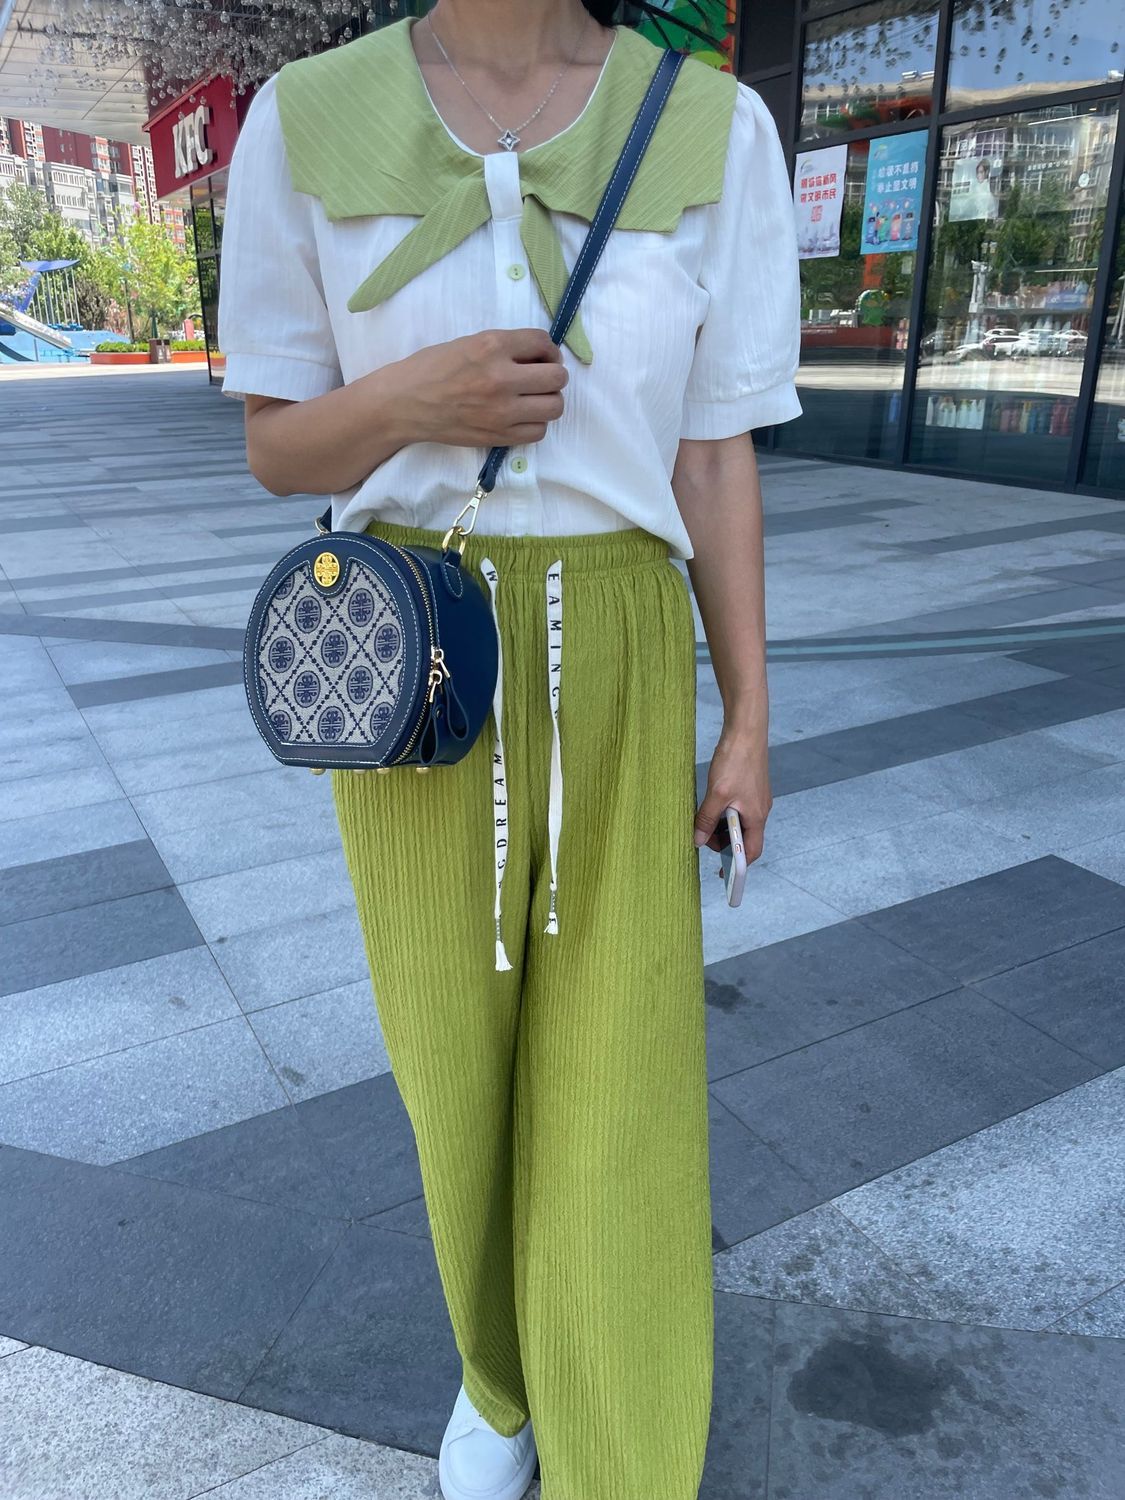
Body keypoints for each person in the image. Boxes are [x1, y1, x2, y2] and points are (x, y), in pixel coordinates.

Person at [217, 2, 801, 1496]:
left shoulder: (711, 127)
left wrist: (746, 715)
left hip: (621, 637)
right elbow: (278, 443)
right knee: (450, 1061)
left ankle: (620, 1445)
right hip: (410, 649)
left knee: (623, 1070)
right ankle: (498, 1373)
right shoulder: (305, 117)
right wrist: (417, 400)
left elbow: (713, 450)